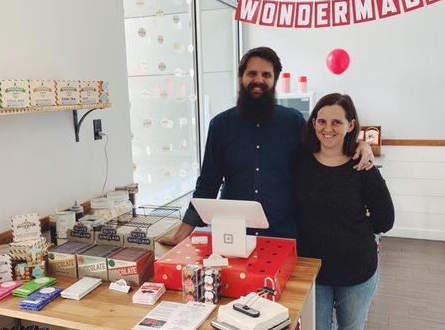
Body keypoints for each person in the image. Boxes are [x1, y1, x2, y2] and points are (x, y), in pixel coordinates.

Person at [159, 47, 374, 246]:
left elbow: (326, 149)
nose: (258, 80)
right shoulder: (220, 125)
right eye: (252, 73)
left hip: (284, 233)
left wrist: (360, 144)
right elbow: (208, 182)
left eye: (266, 75)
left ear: (274, 80)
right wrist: (183, 233)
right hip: (232, 234)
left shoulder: (293, 121)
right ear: (241, 78)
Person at [297, 93, 395, 330]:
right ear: (313, 123)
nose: (328, 128)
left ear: (350, 125)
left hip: (358, 269)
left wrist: (358, 226)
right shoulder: (300, 161)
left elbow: (385, 220)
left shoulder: (361, 167)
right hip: (314, 270)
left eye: (337, 122)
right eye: (322, 121)